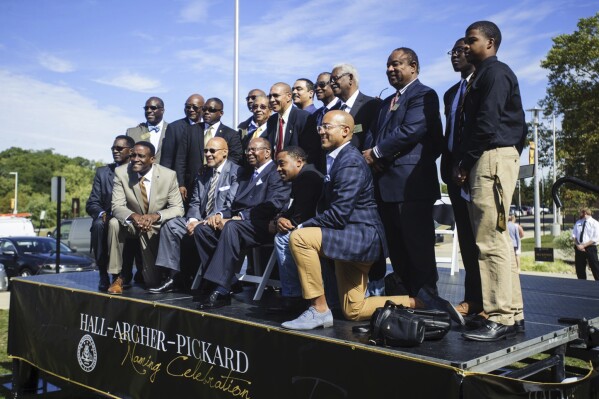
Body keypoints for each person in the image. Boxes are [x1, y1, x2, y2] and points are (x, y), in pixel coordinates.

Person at [281, 111, 419, 331]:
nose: (321, 132)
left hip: (359, 237)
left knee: (300, 238)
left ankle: (318, 310)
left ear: (346, 131)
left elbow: (338, 214)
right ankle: (416, 303)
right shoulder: (339, 159)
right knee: (354, 310)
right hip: (349, 236)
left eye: (327, 127)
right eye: (320, 127)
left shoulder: (350, 161)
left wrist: (302, 225)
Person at [455, 21, 527, 342]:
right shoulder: (484, 75)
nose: (466, 46)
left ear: (491, 43)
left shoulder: (495, 73)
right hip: (493, 155)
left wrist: (467, 162)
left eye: (472, 41)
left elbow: (486, 122)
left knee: (489, 239)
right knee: (498, 238)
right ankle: (513, 312)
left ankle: (499, 317)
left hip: (490, 156)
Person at [363, 48, 444, 301]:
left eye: (396, 64)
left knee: (418, 249)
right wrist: (369, 154)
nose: (390, 70)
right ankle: (407, 302)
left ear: (414, 67)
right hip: (384, 187)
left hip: (412, 188)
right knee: (397, 250)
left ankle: (428, 303)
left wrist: (376, 153)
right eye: (388, 65)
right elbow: (373, 133)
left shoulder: (424, 95)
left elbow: (411, 130)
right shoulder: (387, 102)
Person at [193, 137, 291, 309]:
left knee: (231, 226)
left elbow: (275, 203)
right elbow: (234, 204)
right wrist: (220, 214)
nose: (249, 153)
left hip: (262, 224)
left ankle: (221, 289)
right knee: (203, 229)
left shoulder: (276, 172)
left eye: (254, 149)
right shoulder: (246, 175)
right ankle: (230, 281)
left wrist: (241, 217)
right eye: (248, 150)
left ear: (267, 152)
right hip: (239, 223)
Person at [150, 137, 241, 293]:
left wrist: (201, 223)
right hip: (199, 220)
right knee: (171, 225)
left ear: (225, 153)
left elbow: (230, 205)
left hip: (218, 221)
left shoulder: (236, 172)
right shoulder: (204, 173)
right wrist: (192, 220)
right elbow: (195, 202)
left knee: (202, 230)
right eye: (206, 151)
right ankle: (174, 277)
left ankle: (218, 279)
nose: (208, 154)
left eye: (213, 151)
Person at [440, 38, 483, 317]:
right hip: (454, 173)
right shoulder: (450, 93)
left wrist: (469, 163)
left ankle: (491, 303)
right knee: (466, 240)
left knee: (485, 242)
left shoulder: (484, 84)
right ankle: (473, 300)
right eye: (452, 51)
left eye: (461, 50)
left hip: (479, 169)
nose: (456, 55)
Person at [107, 141, 184, 294]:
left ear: (152, 159)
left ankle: (154, 275)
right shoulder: (121, 173)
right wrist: (133, 216)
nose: (135, 159)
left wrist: (156, 216)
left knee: (152, 282)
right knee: (114, 223)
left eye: (141, 156)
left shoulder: (168, 175)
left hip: (153, 226)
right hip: (131, 223)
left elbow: (178, 208)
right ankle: (117, 277)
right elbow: (116, 206)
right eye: (133, 155)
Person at [271, 146, 326, 313]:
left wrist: (286, 223)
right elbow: (293, 210)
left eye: (282, 164)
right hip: (313, 226)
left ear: (299, 162)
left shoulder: (308, 177)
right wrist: (279, 219)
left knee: (283, 238)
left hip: (322, 229)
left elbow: (303, 215)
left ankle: (294, 296)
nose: (278, 169)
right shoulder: (301, 177)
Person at [86, 135, 137, 291]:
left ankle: (123, 275)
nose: (115, 151)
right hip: (107, 218)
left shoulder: (137, 170)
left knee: (121, 225)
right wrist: (101, 213)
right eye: (113, 148)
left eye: (119, 148)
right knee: (98, 225)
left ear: (130, 151)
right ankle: (103, 274)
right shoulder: (103, 172)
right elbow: (92, 203)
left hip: (130, 218)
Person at [175, 98, 242, 203]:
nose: (206, 112)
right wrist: (181, 184)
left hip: (219, 183)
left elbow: (235, 157)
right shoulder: (190, 130)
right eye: (204, 109)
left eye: (211, 110)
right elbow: (180, 159)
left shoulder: (231, 134)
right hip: (191, 185)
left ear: (221, 113)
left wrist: (214, 167)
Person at [330, 63, 380, 150]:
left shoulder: (373, 105)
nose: (332, 83)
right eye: (330, 80)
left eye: (335, 78)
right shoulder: (331, 112)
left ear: (350, 78)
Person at [300, 72, 341, 173]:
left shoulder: (342, 109)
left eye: (322, 85)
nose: (317, 88)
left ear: (332, 84)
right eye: (315, 86)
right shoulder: (315, 115)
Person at [160, 94, 205, 171]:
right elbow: (167, 159)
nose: (191, 109)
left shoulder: (208, 127)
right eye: (188, 107)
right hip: (181, 178)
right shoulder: (174, 128)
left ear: (203, 108)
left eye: (195, 107)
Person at [266, 82, 310, 156]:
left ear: (289, 96)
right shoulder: (271, 120)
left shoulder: (303, 117)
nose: (272, 100)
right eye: (270, 96)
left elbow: (308, 151)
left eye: (276, 96)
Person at [126, 97, 168, 164]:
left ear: (162, 110)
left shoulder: (172, 130)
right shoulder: (132, 133)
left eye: (153, 108)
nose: (148, 111)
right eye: (146, 108)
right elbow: (127, 158)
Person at [572, 208, 599, 280]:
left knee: (595, 266)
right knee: (579, 268)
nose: (579, 214)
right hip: (579, 248)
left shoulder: (595, 223)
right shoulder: (578, 222)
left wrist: (583, 246)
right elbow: (574, 236)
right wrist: (578, 245)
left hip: (591, 248)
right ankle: (582, 284)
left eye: (580, 212)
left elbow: (595, 238)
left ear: (585, 213)